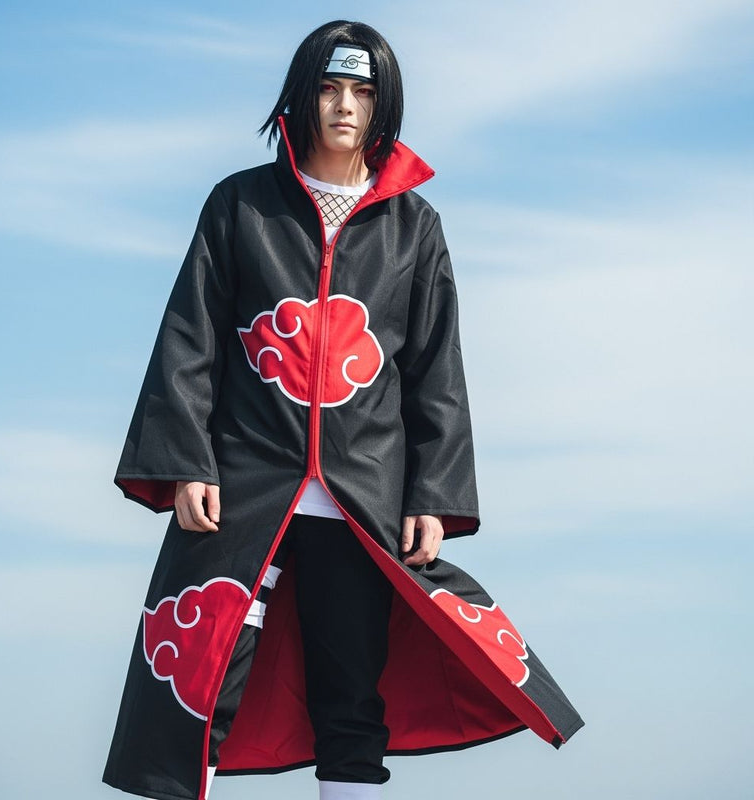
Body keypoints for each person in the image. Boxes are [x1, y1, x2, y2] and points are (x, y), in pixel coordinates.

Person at [103, 19, 583, 800]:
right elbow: (190, 338)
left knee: (353, 690)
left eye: (362, 91)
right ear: (301, 97)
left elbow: (435, 371)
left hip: (362, 497)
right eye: (328, 88)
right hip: (242, 488)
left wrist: (434, 496)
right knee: (203, 675)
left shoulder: (415, 227)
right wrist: (187, 460)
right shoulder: (239, 206)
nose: (344, 106)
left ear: (383, 103)